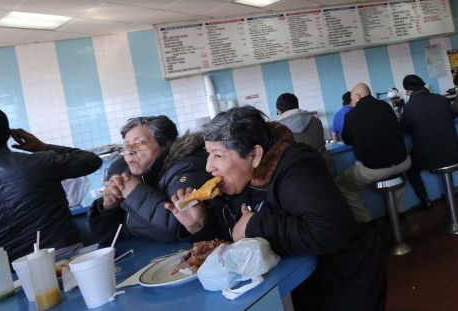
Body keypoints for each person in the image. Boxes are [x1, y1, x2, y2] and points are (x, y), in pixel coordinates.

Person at [165, 106, 386, 311]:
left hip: (345, 281)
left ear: (255, 155)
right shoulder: (237, 181)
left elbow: (330, 231)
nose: (208, 166)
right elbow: (233, 238)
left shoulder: (295, 168)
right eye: (208, 154)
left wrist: (255, 225)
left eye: (218, 155)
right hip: (301, 284)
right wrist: (199, 224)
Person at [0, 106, 102, 261]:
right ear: (10, 134)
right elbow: (91, 161)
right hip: (65, 259)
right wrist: (42, 147)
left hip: (9, 273)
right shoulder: (40, 162)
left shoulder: (40, 163)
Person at [88, 116, 210, 244]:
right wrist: (108, 206)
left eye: (140, 143)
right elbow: (104, 238)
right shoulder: (123, 170)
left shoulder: (187, 168)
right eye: (126, 146)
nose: (129, 152)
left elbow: (179, 228)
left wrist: (135, 192)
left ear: (166, 144)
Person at [336, 83, 411, 223]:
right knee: (398, 175)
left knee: (342, 184)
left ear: (357, 96)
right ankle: (400, 214)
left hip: (374, 169)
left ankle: (368, 222)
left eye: (352, 99)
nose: (352, 103)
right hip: (403, 162)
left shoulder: (351, 115)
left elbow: (347, 140)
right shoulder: (385, 106)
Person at [400, 74, 458, 210]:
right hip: (453, 152)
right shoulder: (442, 99)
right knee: (444, 156)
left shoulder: (410, 107)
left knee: (409, 166)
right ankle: (450, 192)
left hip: (430, 157)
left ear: (409, 91)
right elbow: (452, 116)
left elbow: (403, 128)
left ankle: (425, 200)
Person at [275, 93, 334, 177]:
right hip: (327, 169)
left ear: (279, 111)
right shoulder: (316, 121)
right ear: (297, 106)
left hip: (301, 178)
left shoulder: (278, 130)